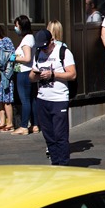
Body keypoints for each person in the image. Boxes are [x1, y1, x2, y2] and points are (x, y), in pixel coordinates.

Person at [30, 29, 77, 165]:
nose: (44, 50)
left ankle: (63, 164)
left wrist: (53, 75)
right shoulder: (38, 53)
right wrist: (36, 74)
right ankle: (55, 163)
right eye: (41, 48)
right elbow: (31, 78)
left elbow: (72, 74)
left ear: (52, 41)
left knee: (60, 135)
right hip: (42, 98)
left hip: (59, 99)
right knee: (48, 135)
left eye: (46, 47)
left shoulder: (63, 52)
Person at [11, 15, 39, 135]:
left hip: (24, 72)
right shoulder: (30, 38)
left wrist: (15, 58)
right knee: (32, 99)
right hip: (29, 71)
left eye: (16, 26)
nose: (15, 28)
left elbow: (27, 58)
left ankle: (23, 126)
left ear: (21, 26)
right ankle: (35, 124)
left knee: (25, 100)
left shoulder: (27, 39)